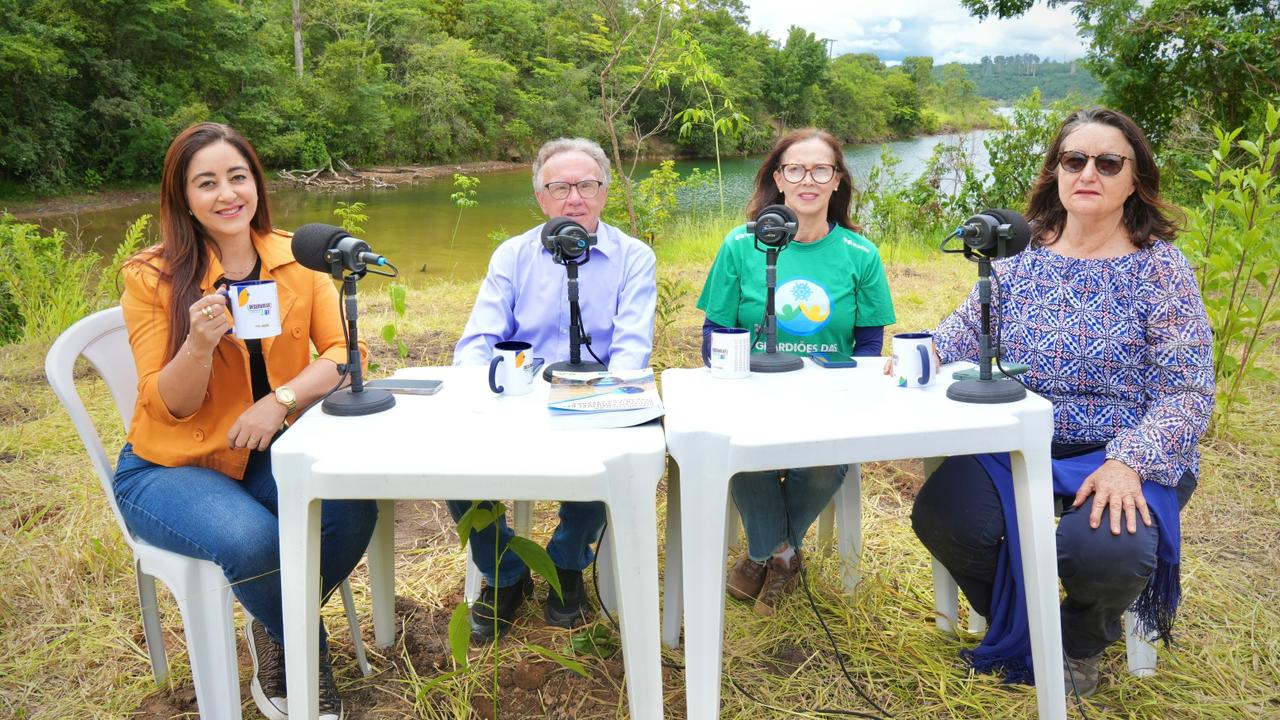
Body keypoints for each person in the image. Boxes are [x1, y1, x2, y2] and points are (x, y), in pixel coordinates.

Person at [910, 107, 1213, 697]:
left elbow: (1188, 388)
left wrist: (1129, 462)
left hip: (1123, 449)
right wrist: (921, 352)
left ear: (1135, 179)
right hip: (1021, 438)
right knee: (947, 519)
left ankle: (1076, 641)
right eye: (1075, 160)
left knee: (1107, 549)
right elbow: (966, 330)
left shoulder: (1161, 269)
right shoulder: (1021, 254)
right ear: (1057, 171)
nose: (1088, 173)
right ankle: (1026, 625)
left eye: (1109, 162)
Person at [113, 122, 378, 720]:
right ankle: (302, 650)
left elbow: (345, 353)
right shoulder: (151, 276)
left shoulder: (298, 258)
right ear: (183, 198)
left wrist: (280, 400)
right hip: (168, 466)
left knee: (350, 506)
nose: (227, 194)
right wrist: (198, 345)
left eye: (238, 177)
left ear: (256, 183)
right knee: (254, 541)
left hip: (266, 448)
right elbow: (167, 404)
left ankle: (270, 623)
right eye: (206, 183)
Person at [450, 137, 657, 641]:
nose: (575, 198)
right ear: (541, 198)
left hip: (595, 397)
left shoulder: (633, 257)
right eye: (560, 187)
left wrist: (605, 401)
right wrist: (473, 398)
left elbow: (631, 348)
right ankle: (504, 571)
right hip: (518, 398)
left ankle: (566, 563)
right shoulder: (513, 255)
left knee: (610, 452)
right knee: (452, 461)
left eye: (587, 184)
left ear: (605, 191)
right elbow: (479, 341)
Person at [696, 128, 896, 615]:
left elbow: (870, 347)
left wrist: (847, 389)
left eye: (821, 169)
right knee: (742, 449)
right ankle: (782, 554)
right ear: (778, 179)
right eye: (795, 169)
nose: (808, 179)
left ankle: (762, 554)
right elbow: (713, 334)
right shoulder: (740, 245)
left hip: (830, 401)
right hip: (752, 394)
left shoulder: (860, 254)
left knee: (827, 461)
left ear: (837, 180)